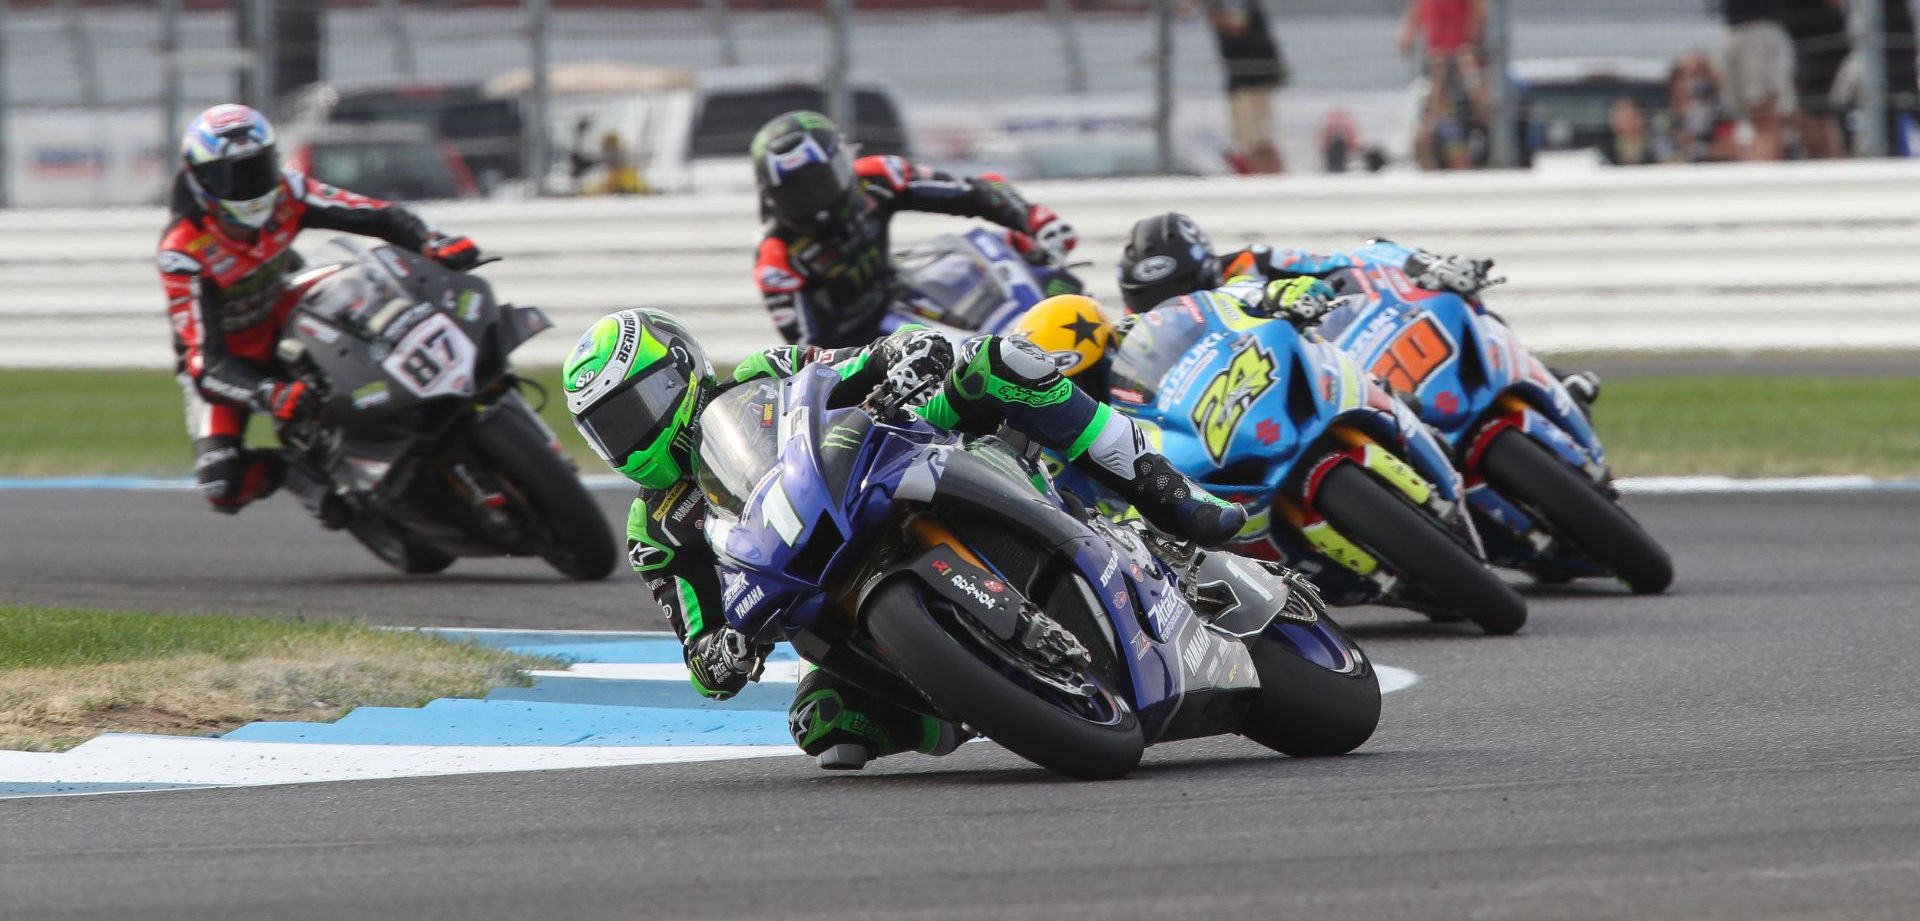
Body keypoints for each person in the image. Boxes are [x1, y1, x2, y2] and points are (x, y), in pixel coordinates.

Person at [562, 309, 1245, 770]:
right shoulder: (654, 529)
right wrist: (727, 652)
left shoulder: (758, 375)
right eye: (609, 428)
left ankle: (1158, 484)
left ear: (681, 370)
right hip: (815, 589)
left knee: (1001, 363)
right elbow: (700, 655)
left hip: (890, 460)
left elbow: (857, 361)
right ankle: (975, 700)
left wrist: (907, 356)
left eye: (638, 407)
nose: (632, 435)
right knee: (826, 728)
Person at [159, 104, 481, 517]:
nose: (248, 186)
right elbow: (204, 359)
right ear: (199, 177)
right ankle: (296, 474)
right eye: (231, 176)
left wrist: (431, 241)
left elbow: (376, 214)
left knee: (369, 293)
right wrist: (265, 392)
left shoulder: (289, 192)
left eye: (257, 169)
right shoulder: (182, 251)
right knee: (222, 483)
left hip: (289, 309)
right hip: (233, 359)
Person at [1109, 212, 1601, 407]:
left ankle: (1546, 377)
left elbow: (1343, 262)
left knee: (1454, 299)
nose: (1170, 303)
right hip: (1257, 396)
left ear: (1203, 269)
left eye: (1180, 287)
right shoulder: (1145, 341)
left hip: (1339, 351)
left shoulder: (1249, 263)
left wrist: (1419, 265)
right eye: (1152, 297)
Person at [751, 110, 1077, 348]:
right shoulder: (777, 260)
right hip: (862, 346)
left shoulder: (876, 177)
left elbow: (971, 193)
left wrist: (1037, 221)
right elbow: (810, 349)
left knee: (1021, 257)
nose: (814, 200)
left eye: (820, 182)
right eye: (797, 192)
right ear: (771, 195)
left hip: (902, 294)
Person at [1398, 0, 1489, 170]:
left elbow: (1479, 10)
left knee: (1468, 118)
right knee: (1428, 136)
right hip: (1437, 61)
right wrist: (1409, 30)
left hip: (1462, 58)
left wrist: (1470, 43)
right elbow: (1416, 12)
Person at [1204, 0, 1289, 174]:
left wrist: (1213, 13)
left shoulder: (1238, 5)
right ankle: (1267, 181)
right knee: (1254, 140)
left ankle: (1266, 182)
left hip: (1251, 79)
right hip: (1245, 77)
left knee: (1256, 141)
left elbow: (1237, 24)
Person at [1721, 0, 1797, 160]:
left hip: (1761, 30)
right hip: (1737, 27)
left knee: (1765, 115)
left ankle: (1767, 178)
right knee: (1756, 118)